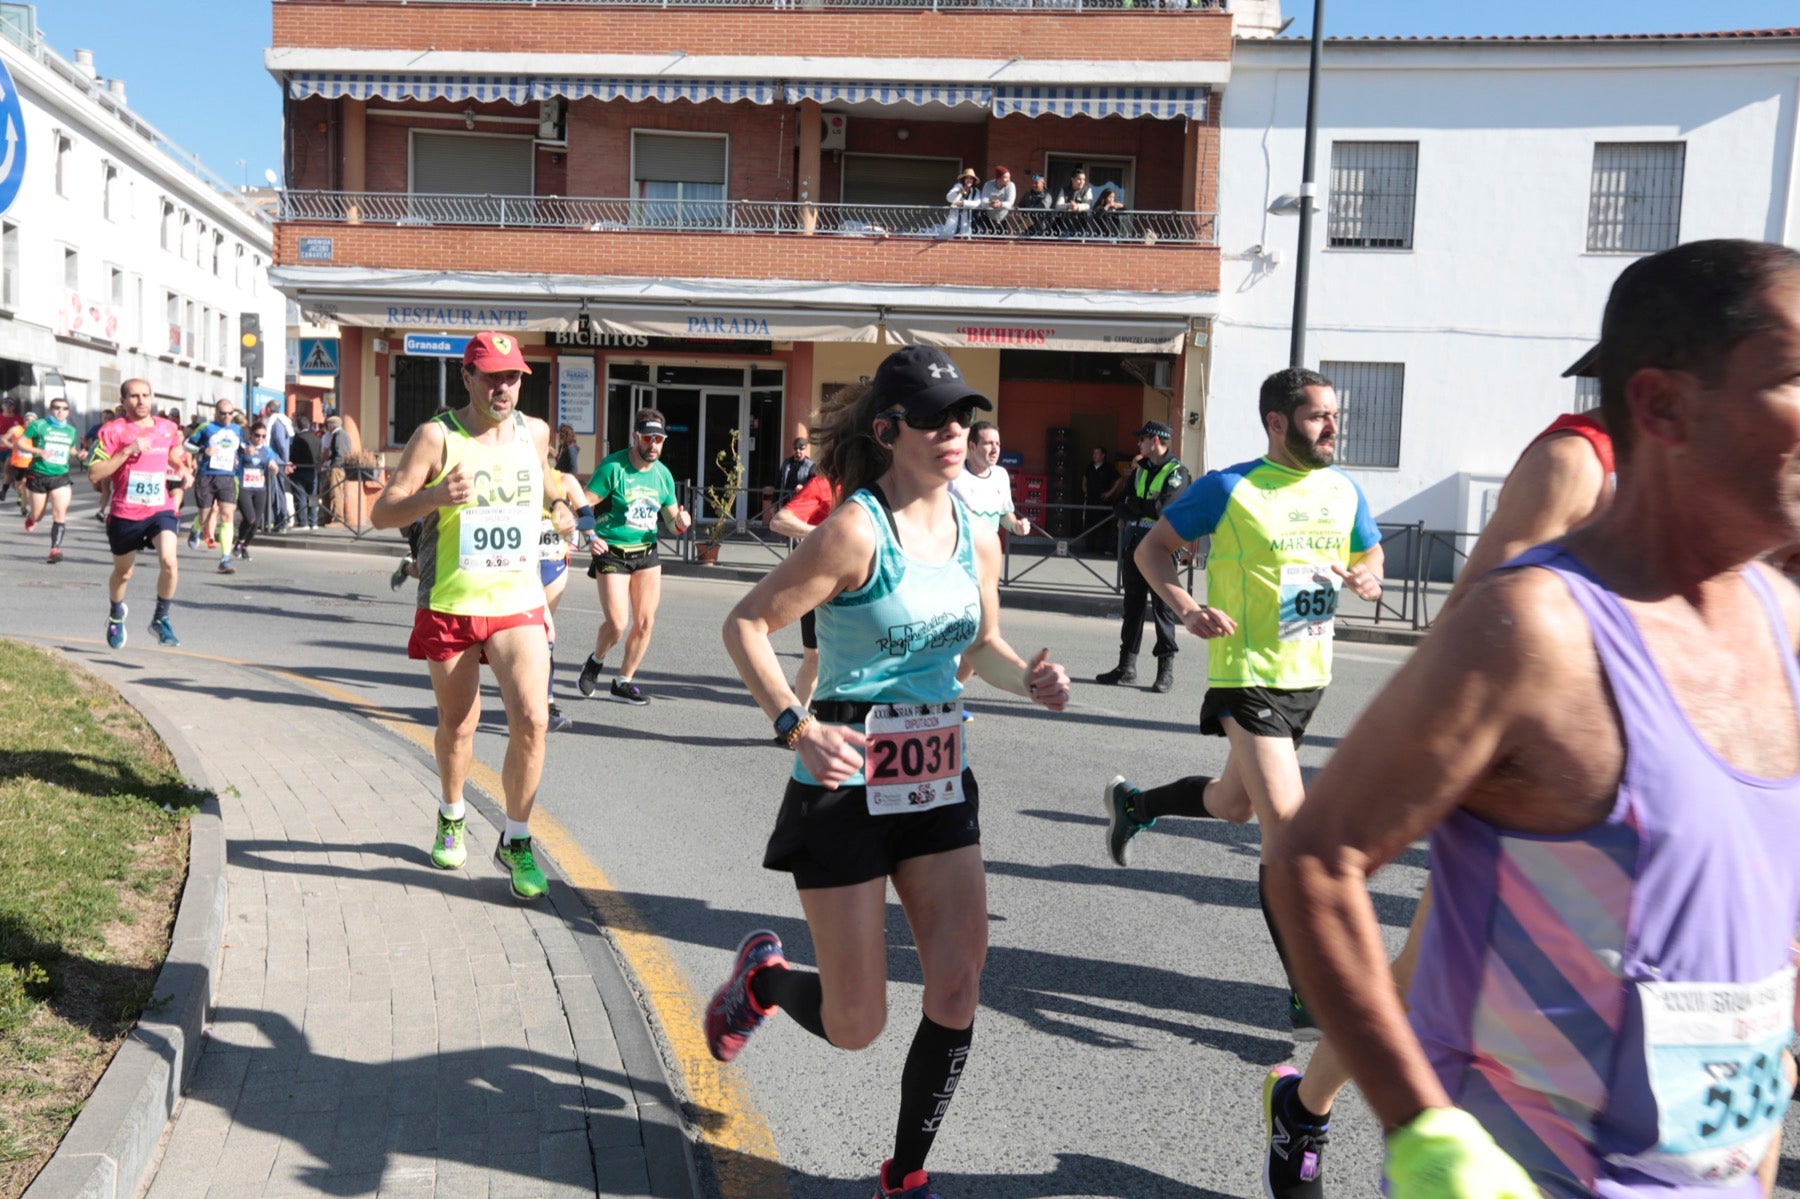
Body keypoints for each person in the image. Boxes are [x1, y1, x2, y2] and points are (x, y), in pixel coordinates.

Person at [1270, 240, 1800, 1199]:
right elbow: (1316, 858)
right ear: (1663, 405)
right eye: (1796, 377)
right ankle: (1307, 1104)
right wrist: (1426, 1135)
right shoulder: (1536, 625)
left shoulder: (1784, 618)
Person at [705, 345, 1071, 1199]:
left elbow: (983, 645)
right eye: (934, 418)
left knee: (957, 984)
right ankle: (763, 980)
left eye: (964, 416)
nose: (954, 431)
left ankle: (904, 1175)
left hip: (938, 779)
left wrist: (1029, 678)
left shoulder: (980, 536)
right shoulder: (854, 531)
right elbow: (745, 624)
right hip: (846, 783)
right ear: (888, 430)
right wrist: (796, 726)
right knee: (856, 1022)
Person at [1248, 401, 1618, 1198]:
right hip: (1544, 790)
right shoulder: (1579, 461)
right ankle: (1305, 1109)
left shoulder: (1746, 499)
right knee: (1419, 982)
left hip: (1684, 801)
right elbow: (1470, 631)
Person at [1101, 367, 1384, 1051]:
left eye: (1334, 414)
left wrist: (1370, 575)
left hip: (1306, 677)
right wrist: (1186, 607)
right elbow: (1151, 549)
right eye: (1318, 415)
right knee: (1287, 829)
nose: (1332, 425)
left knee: (1234, 805)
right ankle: (1307, 987)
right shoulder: (1230, 488)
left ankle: (1136, 805)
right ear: (1277, 422)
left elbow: (1370, 548)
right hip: (1246, 677)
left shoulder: (1342, 489)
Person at [369, 331, 554, 901]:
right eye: (492, 376)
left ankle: (516, 839)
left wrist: (562, 509)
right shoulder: (437, 436)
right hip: (452, 602)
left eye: (513, 376)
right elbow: (382, 512)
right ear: (467, 377)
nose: (504, 387)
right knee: (459, 725)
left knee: (533, 718)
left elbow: (545, 488)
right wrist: (433, 497)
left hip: (517, 601)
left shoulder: (535, 432)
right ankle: (452, 814)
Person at [574, 407, 693, 705]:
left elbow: (671, 521)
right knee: (617, 624)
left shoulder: (663, 475)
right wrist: (590, 537)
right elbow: (583, 502)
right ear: (635, 437)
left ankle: (623, 681)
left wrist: (680, 523)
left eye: (659, 439)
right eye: (648, 438)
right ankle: (596, 660)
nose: (653, 445)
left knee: (645, 622)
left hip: (646, 554)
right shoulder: (613, 467)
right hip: (612, 552)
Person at [87, 378, 191, 648]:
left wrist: (181, 467)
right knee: (123, 573)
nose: (141, 401)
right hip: (125, 512)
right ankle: (116, 613)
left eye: (146, 395)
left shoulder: (167, 427)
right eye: (134, 396)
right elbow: (94, 473)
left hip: (160, 508)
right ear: (123, 401)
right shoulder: (112, 431)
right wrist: (127, 450)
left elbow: (170, 451)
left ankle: (160, 618)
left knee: (170, 561)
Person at [1094, 421, 1189, 693]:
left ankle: (1165, 672)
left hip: (1161, 550)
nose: (1138, 444)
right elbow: (1120, 506)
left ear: (1155, 440)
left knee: (1163, 609)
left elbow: (1163, 509)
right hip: (1134, 546)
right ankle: (1126, 667)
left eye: (1142, 439)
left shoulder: (1177, 473)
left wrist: (1136, 505)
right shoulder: (1140, 471)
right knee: (1132, 608)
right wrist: (1141, 506)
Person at [767, 470, 836, 708]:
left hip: (860, 587)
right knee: (813, 659)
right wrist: (824, 533)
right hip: (818, 586)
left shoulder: (878, 483)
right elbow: (779, 521)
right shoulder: (822, 484)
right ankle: (799, 721)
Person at [538, 444, 591, 734]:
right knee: (542, 633)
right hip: (522, 568)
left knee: (541, 635)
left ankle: (541, 703)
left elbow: (587, 516)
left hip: (554, 564)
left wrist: (579, 525)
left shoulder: (566, 481)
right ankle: (543, 704)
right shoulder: (515, 479)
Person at [18, 398, 81, 562]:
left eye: (65, 408)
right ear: (50, 409)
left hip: (60, 476)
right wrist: (38, 451)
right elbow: (20, 443)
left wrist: (79, 455)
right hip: (38, 474)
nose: (61, 411)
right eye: (57, 408)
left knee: (59, 513)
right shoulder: (38, 425)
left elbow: (71, 449)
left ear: (68, 411)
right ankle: (32, 518)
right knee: (38, 515)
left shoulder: (71, 430)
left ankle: (55, 549)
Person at [185, 399, 243, 574]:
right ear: (216, 413)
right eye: (223, 413)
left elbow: (242, 447)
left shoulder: (238, 430)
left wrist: (242, 455)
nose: (227, 416)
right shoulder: (206, 427)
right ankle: (196, 528)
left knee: (227, 516)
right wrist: (203, 450)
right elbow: (187, 445)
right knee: (204, 515)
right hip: (207, 476)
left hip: (227, 477)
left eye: (230, 413)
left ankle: (225, 560)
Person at [947, 422, 1031, 540]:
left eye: (998, 444)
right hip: (959, 549)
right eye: (989, 443)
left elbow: (1004, 514)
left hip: (989, 549)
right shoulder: (952, 474)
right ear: (972, 447)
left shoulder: (1001, 475)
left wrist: (1015, 526)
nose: (995, 449)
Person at [232, 420, 276, 562]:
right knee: (249, 518)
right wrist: (241, 455)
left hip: (260, 489)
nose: (260, 439)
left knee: (256, 523)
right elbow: (234, 456)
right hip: (244, 487)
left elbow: (272, 462)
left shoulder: (267, 450)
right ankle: (240, 541)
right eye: (257, 435)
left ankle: (244, 546)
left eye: (263, 436)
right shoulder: (243, 447)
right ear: (251, 434)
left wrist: (274, 468)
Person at [1081, 445, 1124, 553]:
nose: (1094, 455)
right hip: (1090, 499)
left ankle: (1100, 548)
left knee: (1102, 524)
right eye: (1094, 453)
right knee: (1089, 523)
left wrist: (1109, 493)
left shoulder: (1109, 467)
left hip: (1102, 500)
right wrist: (1084, 487)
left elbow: (1119, 480)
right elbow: (1085, 477)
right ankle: (1088, 547)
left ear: (1103, 455)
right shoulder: (1090, 466)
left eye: (1097, 453)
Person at [262, 401, 295, 531]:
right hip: (278, 461)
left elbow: (281, 444)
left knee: (277, 491)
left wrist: (286, 461)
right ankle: (274, 520)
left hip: (276, 462)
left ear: (268, 409)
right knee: (275, 491)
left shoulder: (276, 423)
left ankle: (280, 521)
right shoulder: (282, 421)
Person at [318, 415, 352, 526]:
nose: (327, 427)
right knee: (326, 492)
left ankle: (338, 518)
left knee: (336, 493)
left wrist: (332, 466)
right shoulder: (338, 435)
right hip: (334, 467)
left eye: (328, 425)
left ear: (331, 425)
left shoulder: (339, 435)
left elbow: (340, 454)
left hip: (337, 468)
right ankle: (327, 517)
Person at [288, 414, 319, 529]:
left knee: (300, 496)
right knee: (313, 496)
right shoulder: (316, 438)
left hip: (299, 471)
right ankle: (313, 522)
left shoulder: (297, 439)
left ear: (297, 426)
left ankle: (303, 522)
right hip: (313, 471)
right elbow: (319, 456)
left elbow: (293, 456)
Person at [974, 165, 1016, 235]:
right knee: (986, 239)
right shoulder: (988, 185)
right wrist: (991, 203)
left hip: (1003, 219)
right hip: (988, 218)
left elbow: (1010, 203)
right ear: (998, 178)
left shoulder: (1011, 185)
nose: (1009, 180)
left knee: (1000, 239)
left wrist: (1001, 204)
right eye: (1006, 177)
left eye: (1009, 177)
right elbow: (983, 202)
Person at [1054, 168, 1095, 238]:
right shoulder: (1064, 189)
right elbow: (1058, 205)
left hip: (1081, 226)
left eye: (1083, 179)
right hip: (1064, 226)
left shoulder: (1087, 190)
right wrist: (1069, 206)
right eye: (1079, 179)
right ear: (1072, 179)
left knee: (1079, 245)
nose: (1082, 182)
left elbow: (1088, 205)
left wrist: (1077, 207)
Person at [943, 168, 982, 239]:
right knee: (950, 239)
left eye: (971, 178)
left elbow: (977, 203)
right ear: (963, 179)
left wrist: (963, 203)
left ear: (973, 180)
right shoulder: (958, 186)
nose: (969, 180)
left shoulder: (976, 191)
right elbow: (948, 198)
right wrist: (958, 192)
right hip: (955, 217)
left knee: (964, 240)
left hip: (968, 219)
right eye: (967, 178)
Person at [1015, 171, 1053, 236]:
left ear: (1043, 184)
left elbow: (1043, 207)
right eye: (1032, 183)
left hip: (1041, 228)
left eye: (1036, 183)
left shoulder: (1048, 195)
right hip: (1027, 228)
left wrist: (1028, 211)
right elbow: (1020, 206)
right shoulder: (1027, 195)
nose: (1033, 185)